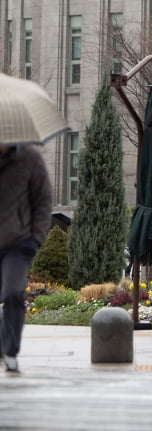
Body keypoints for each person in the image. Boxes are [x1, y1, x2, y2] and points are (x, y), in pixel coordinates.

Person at [0, 144, 52, 375]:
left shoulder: (30, 158)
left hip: (18, 243)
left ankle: (10, 351)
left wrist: (35, 239)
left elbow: (43, 201)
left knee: (13, 292)